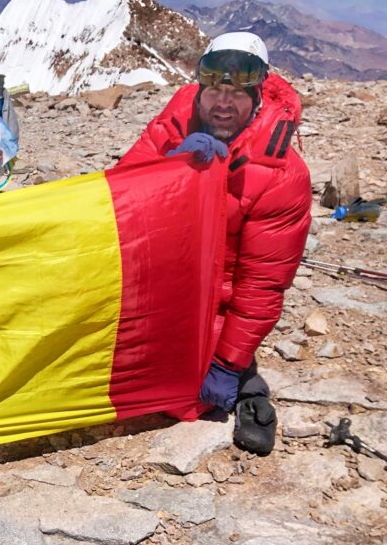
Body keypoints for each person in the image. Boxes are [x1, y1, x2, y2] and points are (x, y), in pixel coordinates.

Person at [117, 32, 312, 455]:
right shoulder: (170, 131)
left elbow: (261, 285)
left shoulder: (283, 177)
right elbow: (120, 198)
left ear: (258, 97)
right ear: (199, 90)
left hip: (211, 306)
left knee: (185, 393)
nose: (224, 103)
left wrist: (226, 363)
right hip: (151, 287)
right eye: (214, 90)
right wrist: (169, 171)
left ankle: (243, 381)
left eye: (238, 93)